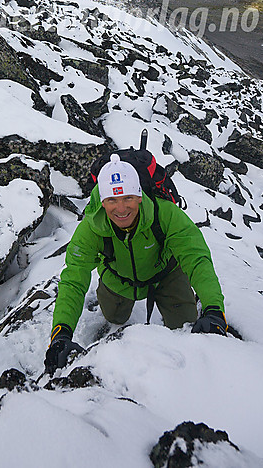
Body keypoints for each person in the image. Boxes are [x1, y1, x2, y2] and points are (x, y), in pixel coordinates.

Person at [45, 153, 227, 374]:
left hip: (165, 275)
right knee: (114, 317)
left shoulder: (165, 214)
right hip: (118, 279)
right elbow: (74, 278)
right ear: (102, 201)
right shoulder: (91, 228)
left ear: (140, 196)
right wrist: (61, 333)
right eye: (112, 200)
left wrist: (214, 309)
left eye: (128, 198)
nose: (121, 209)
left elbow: (196, 258)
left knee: (185, 326)